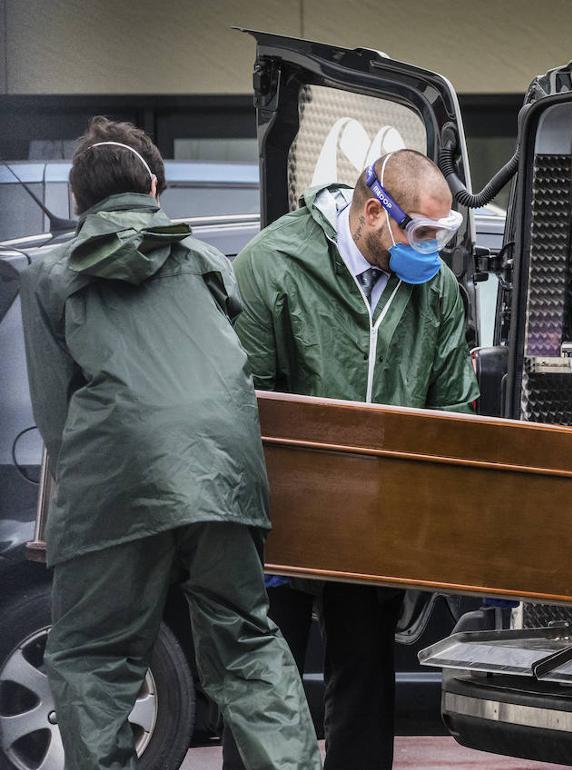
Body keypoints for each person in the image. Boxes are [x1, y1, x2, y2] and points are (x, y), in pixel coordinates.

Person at [20, 117, 320, 770]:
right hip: (225, 476)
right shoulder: (208, 263)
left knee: (94, 660)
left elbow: (55, 415)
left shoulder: (49, 275)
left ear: (76, 197)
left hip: (114, 480)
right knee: (247, 645)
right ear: (154, 188)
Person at [221, 148, 478, 770]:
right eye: (421, 233)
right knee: (264, 684)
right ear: (373, 213)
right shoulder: (273, 264)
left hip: (374, 524)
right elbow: (245, 405)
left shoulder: (436, 290)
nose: (431, 251)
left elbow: (451, 413)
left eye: (440, 236)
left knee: (364, 683)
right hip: (281, 518)